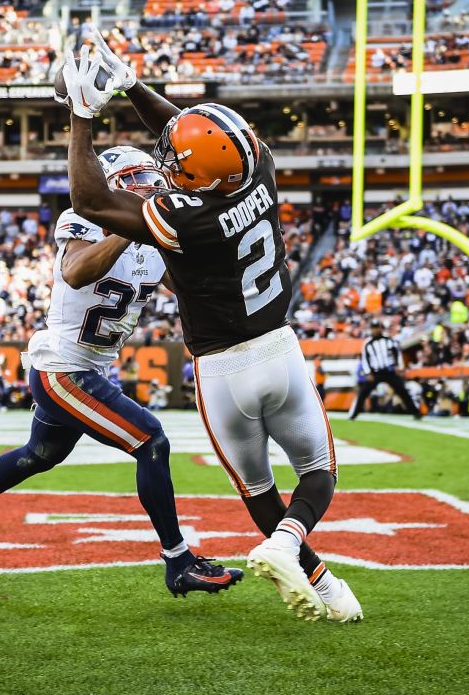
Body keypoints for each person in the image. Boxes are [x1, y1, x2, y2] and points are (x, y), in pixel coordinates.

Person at [56, 30, 360, 622]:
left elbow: (90, 201)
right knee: (319, 473)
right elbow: (195, 141)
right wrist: (134, 86)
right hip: (278, 350)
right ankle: (293, 552)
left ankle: (314, 576)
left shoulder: (179, 217)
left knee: (258, 488)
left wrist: (85, 113)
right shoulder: (260, 168)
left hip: (220, 372)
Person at [0, 145, 244, 598]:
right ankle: (178, 561)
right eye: (136, 180)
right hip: (62, 369)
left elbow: (192, 290)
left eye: (152, 179)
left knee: (40, 454)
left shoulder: (155, 236)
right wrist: (130, 229)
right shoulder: (85, 219)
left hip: (87, 369)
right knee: (150, 439)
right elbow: (75, 272)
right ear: (112, 186)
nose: (149, 189)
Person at [348, 320, 421, 420]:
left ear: (381, 328)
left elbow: (397, 354)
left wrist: (399, 366)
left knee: (402, 391)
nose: (376, 330)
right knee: (363, 393)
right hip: (376, 372)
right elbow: (365, 359)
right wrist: (368, 372)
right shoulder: (368, 343)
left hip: (389, 371)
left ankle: (415, 413)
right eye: (374, 328)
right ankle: (354, 414)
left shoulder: (390, 340)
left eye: (377, 327)